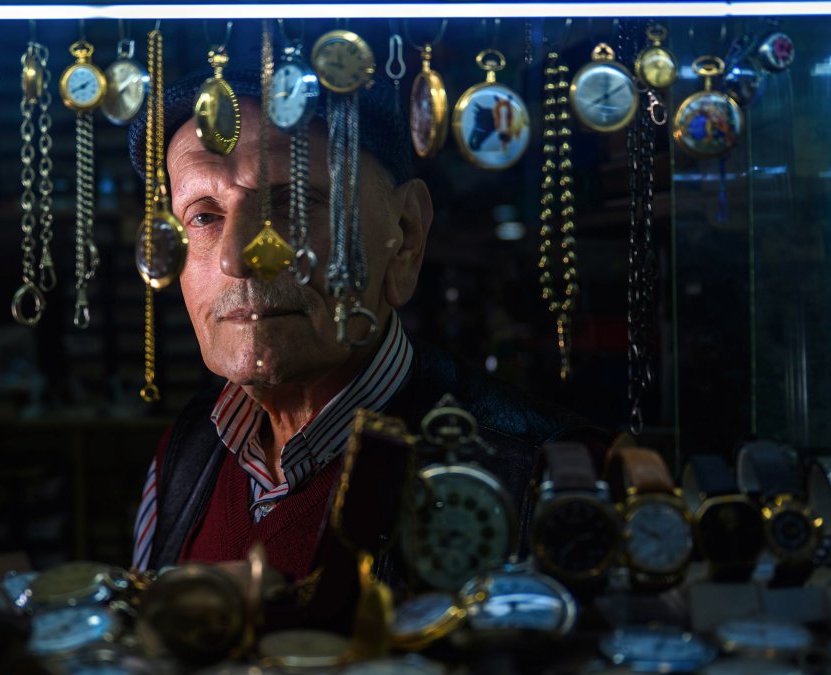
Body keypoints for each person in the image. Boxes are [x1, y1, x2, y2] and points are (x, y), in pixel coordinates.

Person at [128, 69, 606, 613]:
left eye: (292, 205)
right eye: (205, 217)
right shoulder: (186, 454)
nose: (237, 257)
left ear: (405, 235)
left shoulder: (544, 476)